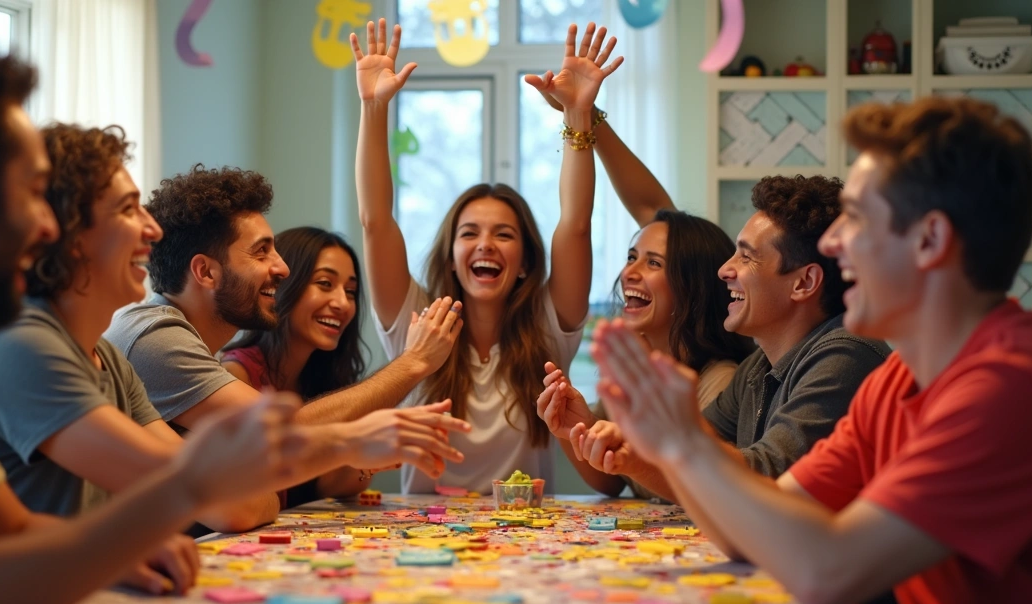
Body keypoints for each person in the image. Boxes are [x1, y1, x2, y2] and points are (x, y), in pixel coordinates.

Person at [0, 43, 322, 604]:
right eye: (32, 193)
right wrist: (189, 486)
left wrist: (115, 553)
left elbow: (11, 530)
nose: (50, 225)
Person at [595, 96, 1032, 604]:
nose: (833, 243)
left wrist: (685, 444)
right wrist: (668, 443)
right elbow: (751, 530)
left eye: (857, 219)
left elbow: (827, 572)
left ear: (930, 240)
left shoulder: (1010, 385)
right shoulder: (894, 382)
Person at [0, 123, 279, 530]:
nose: (152, 230)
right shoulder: (17, 341)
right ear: (68, 231)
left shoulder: (107, 357)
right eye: (128, 209)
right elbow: (222, 502)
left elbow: (240, 503)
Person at [354, 19, 620, 492]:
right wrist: (374, 107)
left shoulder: (547, 330)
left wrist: (577, 115)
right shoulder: (418, 325)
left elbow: (576, 224)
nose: (485, 245)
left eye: (504, 235)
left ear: (525, 261)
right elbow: (375, 222)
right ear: (451, 256)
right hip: (424, 531)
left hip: (526, 530)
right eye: (470, 233)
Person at [104, 165, 467, 502]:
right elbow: (276, 441)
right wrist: (412, 362)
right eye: (261, 252)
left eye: (351, 291)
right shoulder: (154, 335)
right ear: (206, 272)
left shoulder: (175, 339)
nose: (282, 268)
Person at [543, 174, 890, 502]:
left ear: (803, 283)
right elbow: (690, 470)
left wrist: (663, 431)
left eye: (746, 257)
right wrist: (605, 437)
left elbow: (769, 479)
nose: (724, 270)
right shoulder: (756, 367)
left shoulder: (845, 357)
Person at [535, 210, 754, 497]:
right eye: (631, 257)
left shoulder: (720, 380)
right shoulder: (630, 371)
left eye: (653, 262)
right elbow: (612, 481)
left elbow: (702, 490)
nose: (629, 273)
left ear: (694, 287)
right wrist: (574, 426)